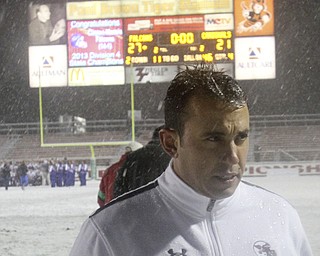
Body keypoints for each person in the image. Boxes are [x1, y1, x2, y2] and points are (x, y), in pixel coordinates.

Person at [70, 63, 313, 255]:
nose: (232, 157)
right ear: (171, 143)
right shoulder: (111, 232)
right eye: (213, 139)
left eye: (241, 137)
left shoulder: (279, 215)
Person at [113, 125, 171, 199]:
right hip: (163, 206)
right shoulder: (174, 158)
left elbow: (118, 189)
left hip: (135, 205)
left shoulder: (132, 157)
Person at [97, 141, 143, 207]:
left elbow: (101, 198)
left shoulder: (110, 170)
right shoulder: (140, 169)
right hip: (133, 211)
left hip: (111, 211)